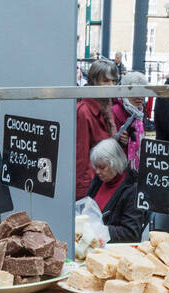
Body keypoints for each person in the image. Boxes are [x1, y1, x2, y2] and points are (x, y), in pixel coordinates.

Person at [85, 137, 144, 242]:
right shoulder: (100, 180)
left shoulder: (132, 190)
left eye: (102, 167)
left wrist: (101, 230)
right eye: (96, 167)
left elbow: (131, 233)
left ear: (115, 164)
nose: (97, 172)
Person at [76, 57, 119, 199]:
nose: (111, 85)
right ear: (94, 82)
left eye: (114, 81)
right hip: (91, 186)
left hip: (105, 181)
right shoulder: (84, 111)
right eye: (106, 81)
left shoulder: (106, 106)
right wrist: (83, 196)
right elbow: (81, 158)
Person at [112, 70, 147, 171]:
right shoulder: (115, 111)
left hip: (132, 172)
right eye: (135, 93)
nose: (140, 98)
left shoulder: (139, 113)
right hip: (120, 169)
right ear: (126, 92)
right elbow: (109, 143)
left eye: (143, 93)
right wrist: (121, 141)